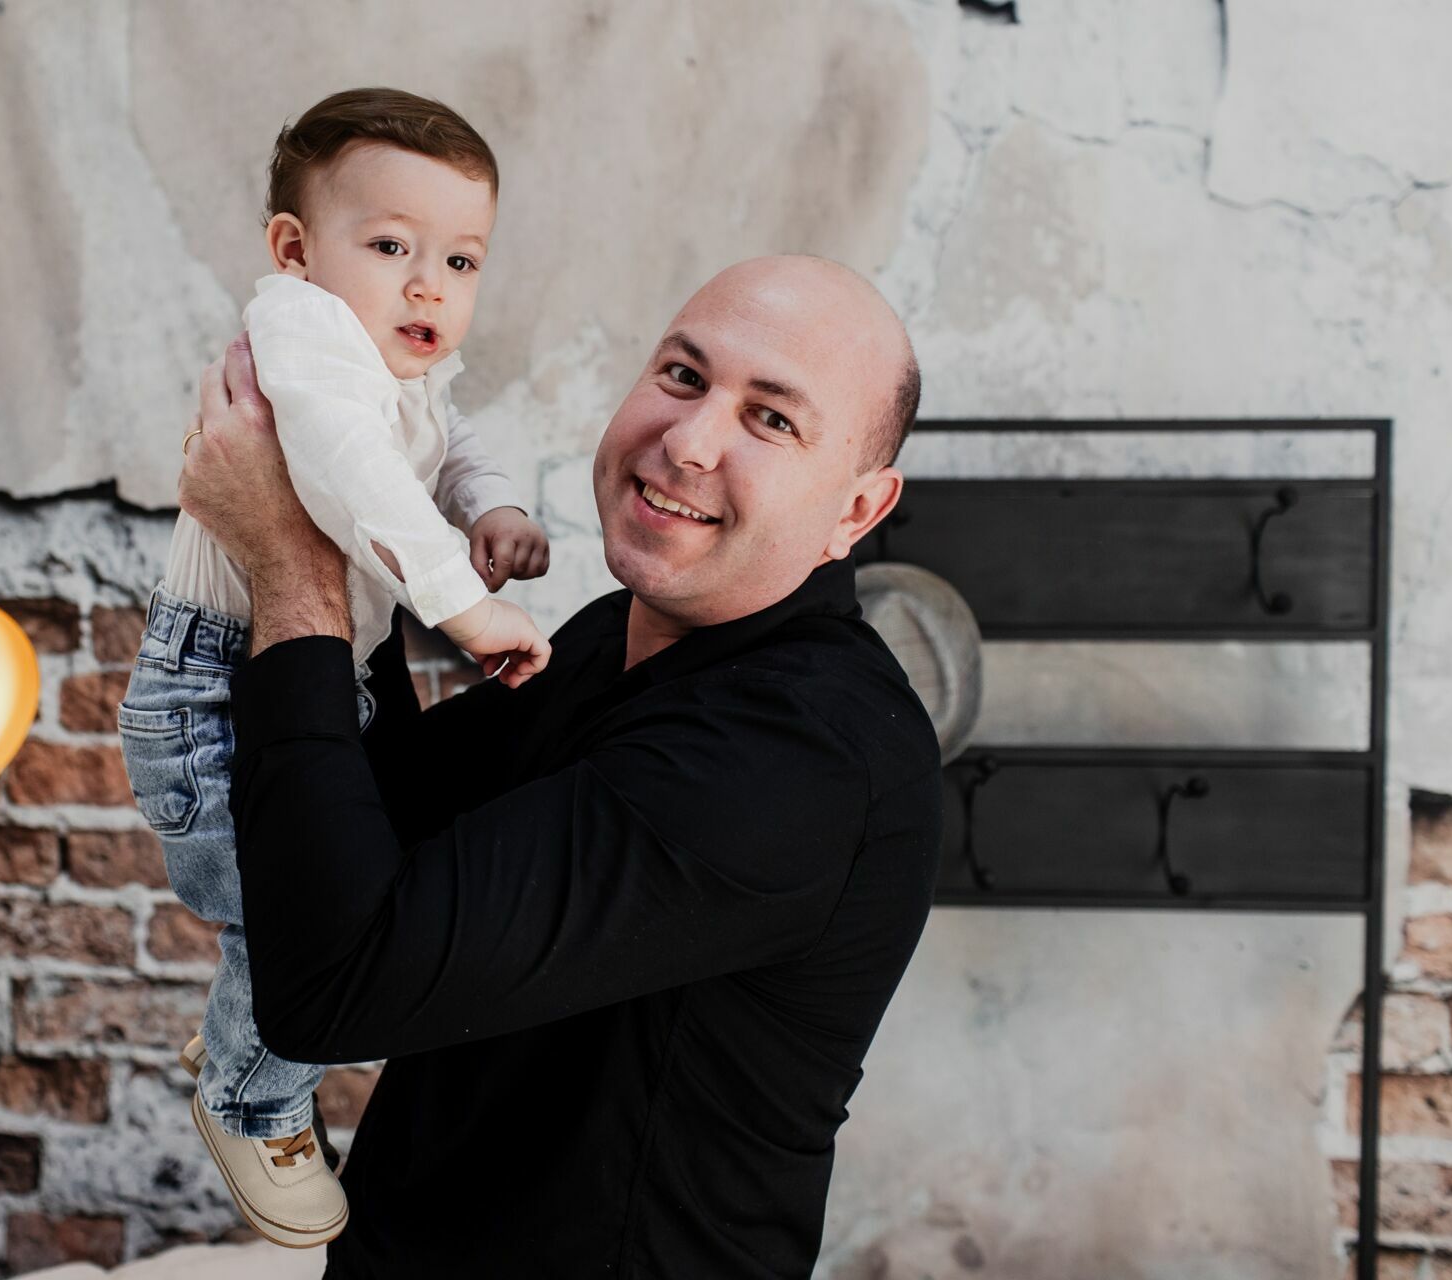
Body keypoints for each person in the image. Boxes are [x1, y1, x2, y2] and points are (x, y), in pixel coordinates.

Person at [179, 254, 942, 1277]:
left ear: (857, 509)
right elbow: (383, 804)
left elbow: (331, 980)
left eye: (772, 420)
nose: (689, 439)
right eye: (682, 374)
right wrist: (344, 501)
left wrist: (289, 559)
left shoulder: (797, 756)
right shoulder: (616, 636)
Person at [117, 87, 553, 1249]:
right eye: (392, 246)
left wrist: (493, 503)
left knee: (337, 887)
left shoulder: (399, 358)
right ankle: (249, 1099)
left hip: (313, 671)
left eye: (460, 258)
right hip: (212, 687)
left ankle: (241, 1038)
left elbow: (454, 437)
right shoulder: (303, 336)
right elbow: (352, 469)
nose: (429, 285)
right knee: (288, 916)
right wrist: (460, 601)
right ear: (296, 251)